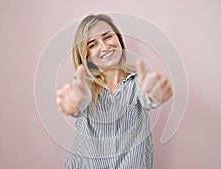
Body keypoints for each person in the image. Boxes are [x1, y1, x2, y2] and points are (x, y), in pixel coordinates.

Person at [57, 14, 173, 169]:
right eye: (92, 44)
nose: (105, 47)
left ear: (119, 40)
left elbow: (148, 96)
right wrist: (74, 103)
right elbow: (78, 101)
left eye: (108, 37)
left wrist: (155, 93)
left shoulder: (138, 82)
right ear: (87, 56)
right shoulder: (82, 85)